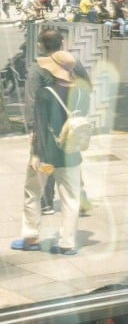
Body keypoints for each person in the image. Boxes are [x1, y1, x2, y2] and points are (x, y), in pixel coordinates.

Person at [11, 45, 89, 255]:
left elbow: (40, 128)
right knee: (71, 199)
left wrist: (36, 154)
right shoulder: (82, 92)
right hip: (71, 154)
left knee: (33, 193)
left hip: (46, 157)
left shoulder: (45, 94)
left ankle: (30, 237)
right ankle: (67, 243)